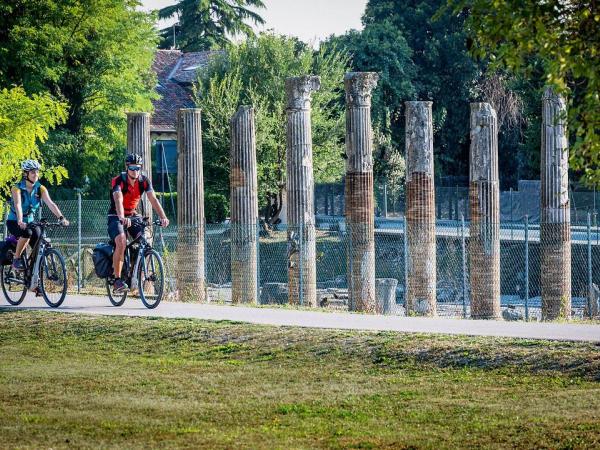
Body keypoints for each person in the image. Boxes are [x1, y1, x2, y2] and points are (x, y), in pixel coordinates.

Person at [108, 154, 169, 293]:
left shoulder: (144, 181)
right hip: (116, 216)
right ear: (127, 168)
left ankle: (135, 271)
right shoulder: (118, 180)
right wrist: (122, 217)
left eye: (138, 168)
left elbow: (153, 199)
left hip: (133, 215)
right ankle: (117, 280)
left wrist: (163, 217)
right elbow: (118, 200)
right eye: (132, 168)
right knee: (122, 241)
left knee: (146, 239)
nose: (135, 171)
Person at [7, 160, 69, 271]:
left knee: (38, 239)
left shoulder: (40, 188)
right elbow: (18, 205)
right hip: (14, 221)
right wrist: (20, 220)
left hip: (30, 221)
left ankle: (34, 277)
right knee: (27, 233)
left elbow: (51, 204)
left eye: (37, 172)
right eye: (32, 172)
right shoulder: (16, 188)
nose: (36, 175)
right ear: (26, 174)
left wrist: (61, 217)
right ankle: (16, 259)